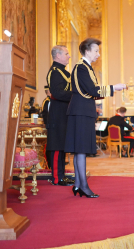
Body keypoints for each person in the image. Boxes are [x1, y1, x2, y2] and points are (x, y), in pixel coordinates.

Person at [64, 38, 127, 198]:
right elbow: (92, 90)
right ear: (87, 51)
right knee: (81, 150)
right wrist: (114, 87)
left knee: (80, 150)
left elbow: (90, 91)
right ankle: (83, 186)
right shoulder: (82, 68)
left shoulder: (86, 67)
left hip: (83, 111)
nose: (98, 54)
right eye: (96, 51)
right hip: (81, 112)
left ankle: (78, 185)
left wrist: (112, 89)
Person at [46, 45, 74, 186]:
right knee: (57, 145)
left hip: (64, 112)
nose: (69, 56)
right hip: (57, 114)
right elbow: (57, 93)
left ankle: (62, 175)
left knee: (62, 146)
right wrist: (75, 95)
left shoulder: (63, 72)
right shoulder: (55, 72)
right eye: (66, 53)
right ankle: (57, 178)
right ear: (58, 55)